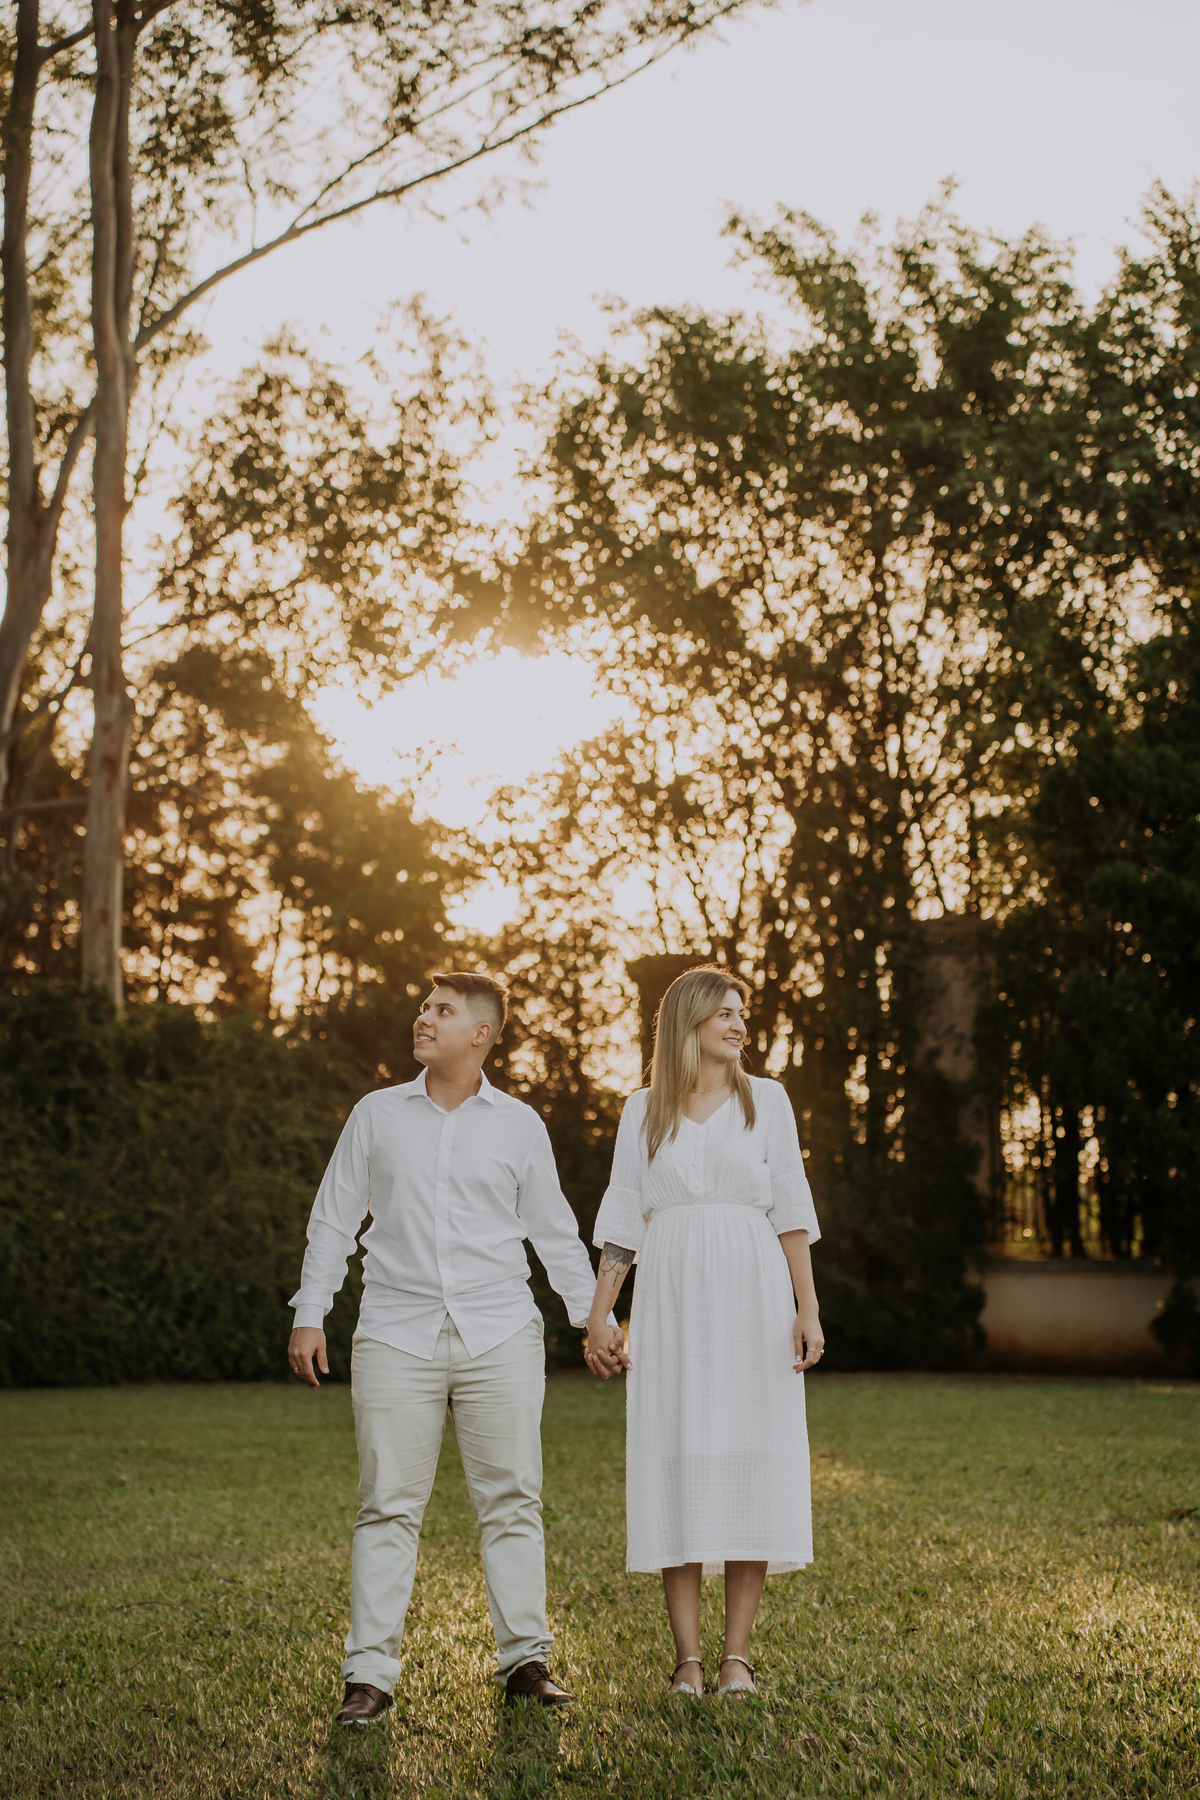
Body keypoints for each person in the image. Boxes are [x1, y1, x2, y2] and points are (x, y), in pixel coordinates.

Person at [288, 971, 608, 1723]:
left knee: (513, 1500)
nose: (422, 1018)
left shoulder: (519, 1125)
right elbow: (334, 1218)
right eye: (423, 1007)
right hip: (395, 1334)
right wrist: (310, 1311)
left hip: (500, 1333)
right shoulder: (376, 1115)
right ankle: (369, 1676)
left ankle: (526, 1661)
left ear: (481, 1034)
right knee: (386, 1506)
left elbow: (554, 1231)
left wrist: (592, 1317)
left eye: (441, 1010)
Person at [583, 966, 824, 1699]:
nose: (739, 1024)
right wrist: (601, 1313)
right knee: (677, 1458)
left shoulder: (767, 1101)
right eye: (725, 1013)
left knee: (752, 1460)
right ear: (688, 1021)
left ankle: (736, 1658)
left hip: (754, 1295)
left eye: (742, 1012)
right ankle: (687, 1660)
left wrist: (807, 1308)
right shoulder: (642, 1110)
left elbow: (790, 1208)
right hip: (673, 1299)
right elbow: (624, 1217)